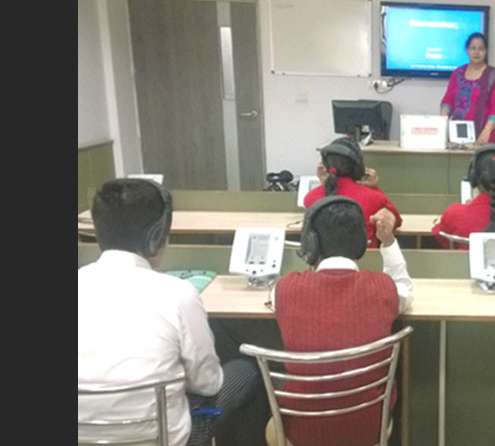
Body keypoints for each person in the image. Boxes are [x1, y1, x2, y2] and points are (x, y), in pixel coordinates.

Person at [78, 179, 267, 446]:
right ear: (156, 237)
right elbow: (208, 384)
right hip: (164, 439)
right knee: (247, 368)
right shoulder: (178, 293)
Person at [272, 196, 412, 446]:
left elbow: (274, 298)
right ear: (361, 242)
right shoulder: (383, 288)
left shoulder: (286, 289)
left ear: (311, 243)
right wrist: (388, 242)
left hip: (303, 431)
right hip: (369, 428)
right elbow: (403, 288)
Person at [431, 144, 495, 249]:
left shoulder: (453, 213)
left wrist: (466, 208)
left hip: (461, 266)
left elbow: (440, 237)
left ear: (473, 176)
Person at [303, 137, 403, 247]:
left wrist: (325, 184)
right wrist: (374, 188)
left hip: (324, 263)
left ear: (325, 166)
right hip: (365, 262)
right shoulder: (375, 198)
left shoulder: (310, 198)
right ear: (359, 167)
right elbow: (395, 221)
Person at [440, 32, 495, 145]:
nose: (476, 52)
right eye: (473, 48)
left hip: (483, 137)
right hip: (456, 137)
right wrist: (441, 122)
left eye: (481, 49)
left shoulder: (493, 77)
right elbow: (448, 100)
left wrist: (486, 131)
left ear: (486, 51)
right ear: (467, 50)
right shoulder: (457, 73)